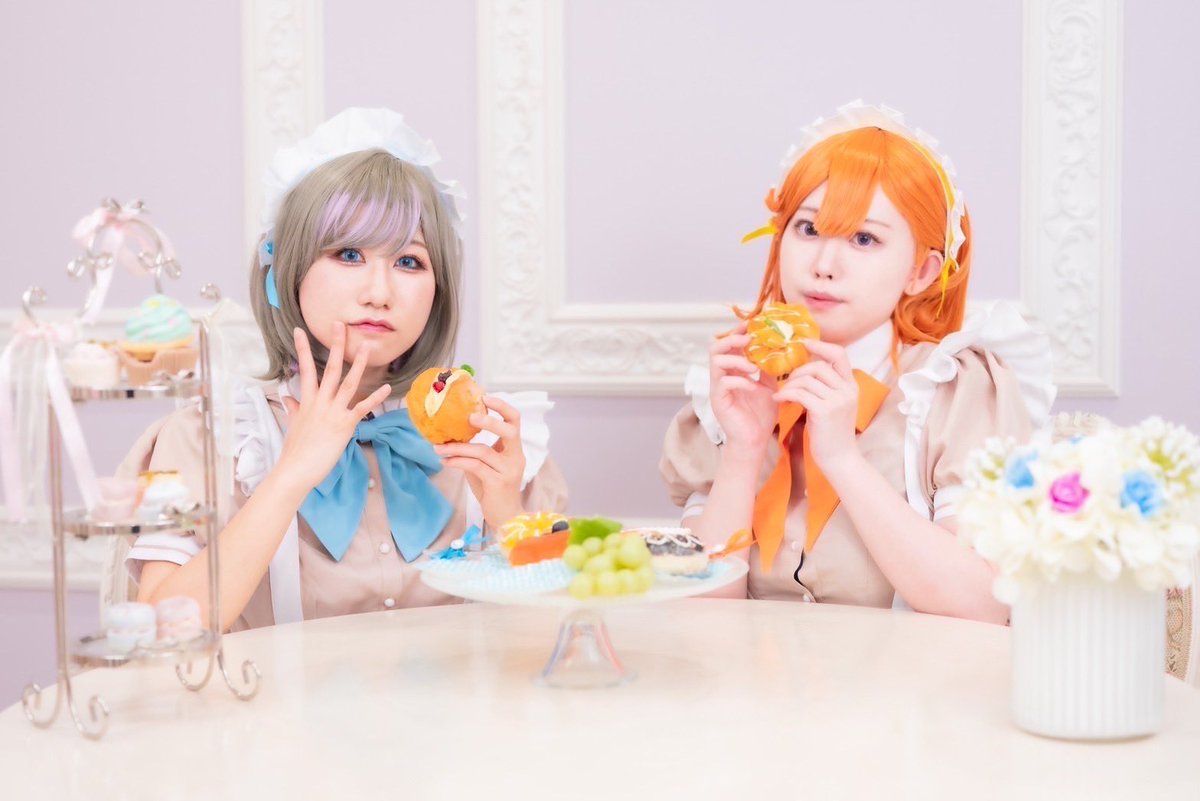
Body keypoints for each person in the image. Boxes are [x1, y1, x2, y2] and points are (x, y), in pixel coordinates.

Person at [124, 108, 566, 631]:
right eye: (349, 254)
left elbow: (559, 636)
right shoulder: (215, 438)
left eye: (409, 262)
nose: (379, 293)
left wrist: (507, 512)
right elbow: (162, 630)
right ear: (287, 271)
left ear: (438, 291)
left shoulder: (493, 440)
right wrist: (290, 475)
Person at [660, 102, 1054, 623]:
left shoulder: (956, 389)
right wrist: (743, 450)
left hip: (910, 675)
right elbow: (699, 619)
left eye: (864, 239)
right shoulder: (735, 386)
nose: (824, 266)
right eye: (807, 229)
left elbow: (980, 606)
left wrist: (842, 458)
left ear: (921, 272)